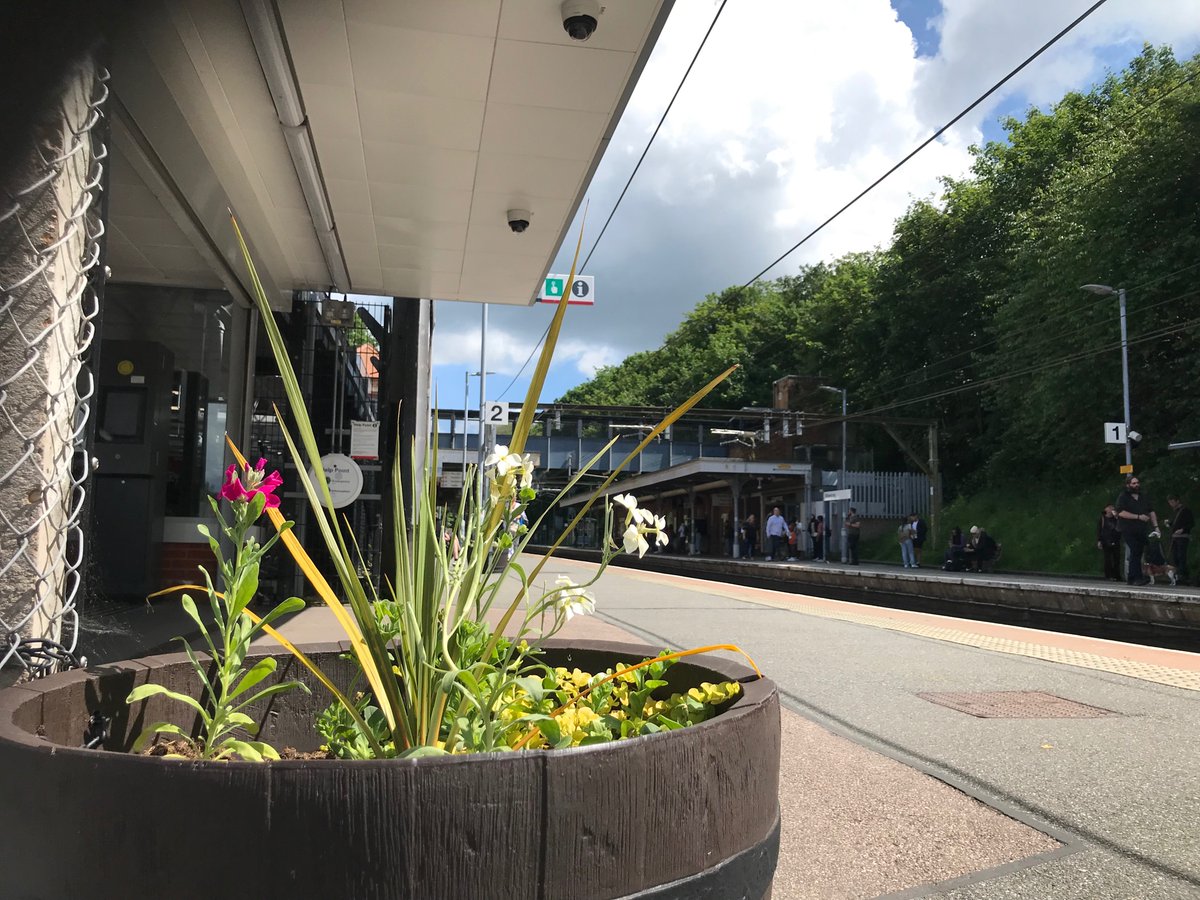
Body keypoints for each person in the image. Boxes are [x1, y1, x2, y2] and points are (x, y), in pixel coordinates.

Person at [1115, 475, 1158, 586]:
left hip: (1141, 529)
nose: (1136, 485)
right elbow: (1120, 512)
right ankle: (1137, 577)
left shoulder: (1143, 496)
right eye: (1133, 483)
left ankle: (1132, 577)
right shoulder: (1123, 497)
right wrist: (1138, 516)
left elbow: (1151, 511)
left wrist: (1156, 527)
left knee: (1140, 551)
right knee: (1135, 550)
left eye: (1137, 483)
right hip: (1128, 529)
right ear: (1128, 485)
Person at [1167, 495, 1193, 585]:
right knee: (1175, 557)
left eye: (1172, 502)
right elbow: (1173, 523)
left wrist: (1183, 529)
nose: (1171, 504)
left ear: (1177, 501)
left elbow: (1191, 523)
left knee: (1181, 556)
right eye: (1170, 502)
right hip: (1174, 537)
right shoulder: (1174, 512)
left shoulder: (1185, 511)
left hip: (1183, 536)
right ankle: (1177, 575)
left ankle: (1182, 576)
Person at [1096, 504, 1122, 581]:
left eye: (1112, 508)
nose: (1112, 509)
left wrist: (1117, 517)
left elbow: (1121, 525)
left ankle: (1117, 575)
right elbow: (1099, 530)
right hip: (1106, 540)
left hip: (1115, 540)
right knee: (1108, 559)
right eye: (1110, 508)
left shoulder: (1116, 518)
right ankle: (1108, 575)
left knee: (1116, 559)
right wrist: (1099, 540)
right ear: (1106, 509)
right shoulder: (1103, 518)